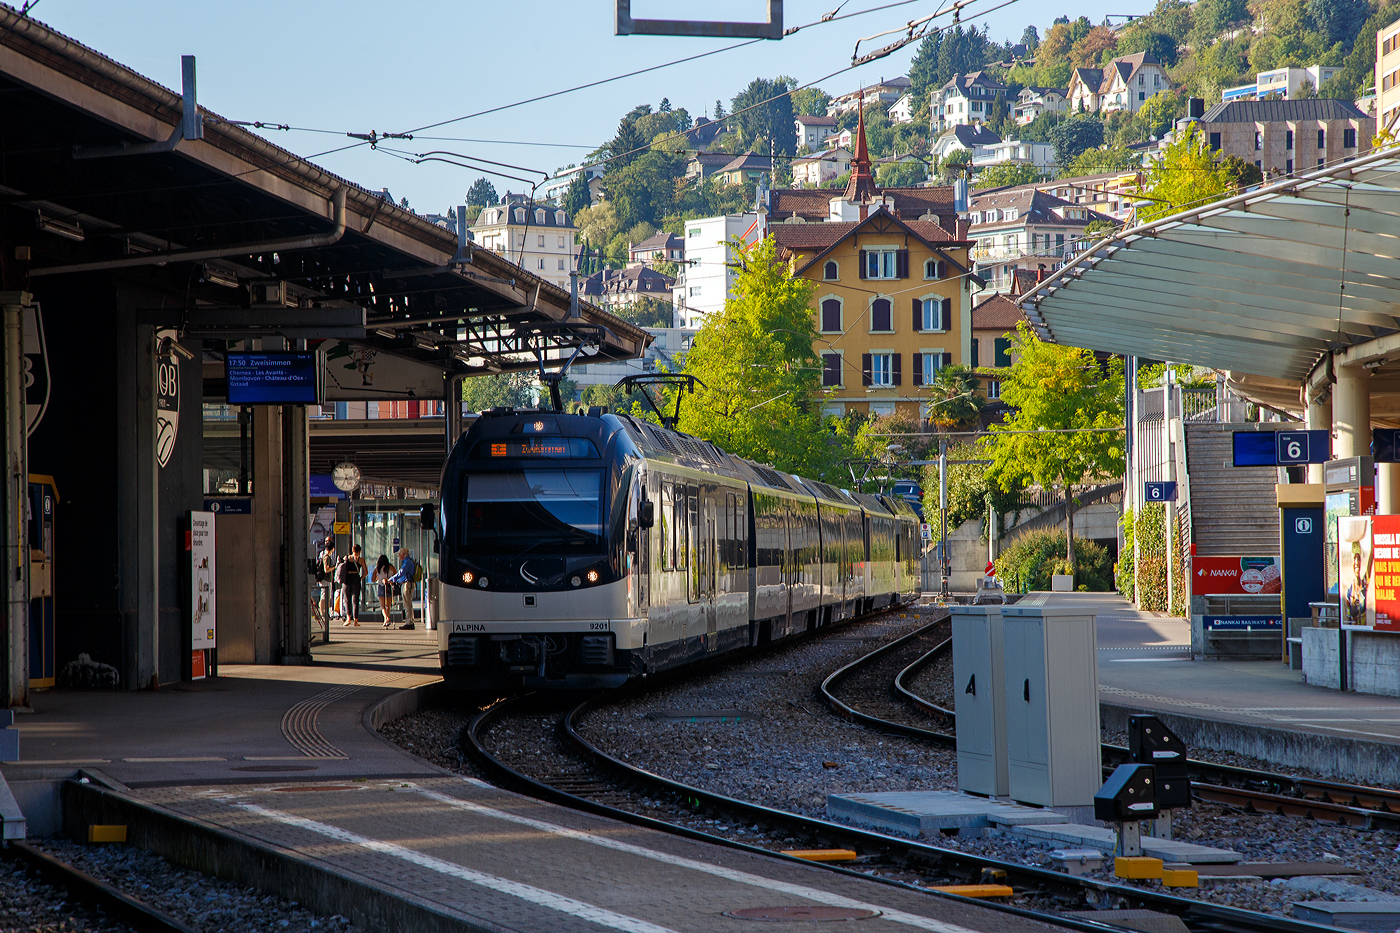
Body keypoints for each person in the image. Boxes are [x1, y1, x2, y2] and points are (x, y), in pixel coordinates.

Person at [388, 547, 418, 630]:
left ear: (403, 555)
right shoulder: (409, 561)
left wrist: (391, 579)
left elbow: (401, 573)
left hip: (407, 584)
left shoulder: (407, 562)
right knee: (408, 603)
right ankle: (410, 621)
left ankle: (409, 623)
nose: (398, 556)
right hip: (409, 583)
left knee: (407, 604)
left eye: (399, 554)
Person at [337, 549, 362, 626]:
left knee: (347, 600)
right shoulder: (360, 560)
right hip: (355, 579)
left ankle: (348, 618)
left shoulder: (346, 558)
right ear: (359, 551)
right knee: (355, 600)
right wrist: (360, 578)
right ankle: (355, 620)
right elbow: (366, 571)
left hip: (346, 580)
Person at [374, 554, 395, 629]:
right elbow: (395, 575)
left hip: (381, 586)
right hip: (389, 587)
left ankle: (385, 618)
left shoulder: (377, 569)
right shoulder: (391, 567)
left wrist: (378, 578)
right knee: (388, 605)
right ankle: (387, 619)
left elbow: (373, 579)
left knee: (382, 606)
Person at [321, 541, 339, 620]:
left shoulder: (326, 556)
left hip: (326, 580)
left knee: (326, 596)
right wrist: (334, 567)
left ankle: (325, 612)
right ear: (332, 549)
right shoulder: (327, 557)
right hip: (326, 579)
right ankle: (323, 613)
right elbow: (326, 569)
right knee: (324, 596)